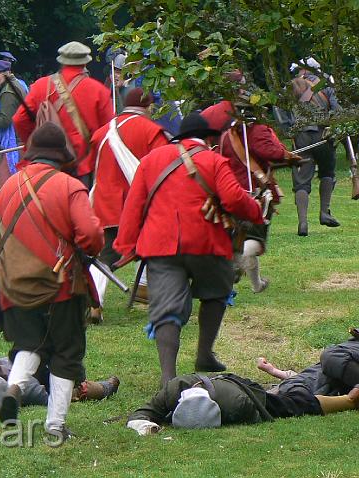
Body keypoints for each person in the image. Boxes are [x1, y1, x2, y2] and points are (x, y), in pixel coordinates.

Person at [114, 113, 265, 386]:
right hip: (206, 242)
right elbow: (233, 198)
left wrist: (126, 244)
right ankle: (204, 354)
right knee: (217, 292)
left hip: (160, 245)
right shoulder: (214, 160)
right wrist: (255, 210)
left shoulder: (150, 161)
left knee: (166, 310)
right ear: (208, 139)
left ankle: (168, 376)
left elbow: (133, 205)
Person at [0, 122, 104, 439]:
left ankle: (13, 388)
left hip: (13, 283)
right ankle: (55, 425)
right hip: (61, 284)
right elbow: (92, 235)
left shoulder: (8, 185)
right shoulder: (70, 187)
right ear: (61, 156)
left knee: (28, 344)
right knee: (66, 354)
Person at [85, 88, 171, 321]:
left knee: (105, 253)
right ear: (149, 107)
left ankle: (135, 290)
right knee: (154, 243)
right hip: (134, 203)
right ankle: (96, 301)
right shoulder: (152, 131)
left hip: (103, 203)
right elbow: (164, 167)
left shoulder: (101, 132)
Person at [202, 96, 301, 293]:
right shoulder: (256, 130)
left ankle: (256, 284)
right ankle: (235, 268)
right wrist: (288, 156)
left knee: (238, 239)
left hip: (230, 191)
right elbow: (271, 152)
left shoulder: (226, 134)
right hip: (256, 193)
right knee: (254, 240)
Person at [125, 372, 359, 435]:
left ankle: (348, 400)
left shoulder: (238, 404)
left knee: (294, 402)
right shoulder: (173, 391)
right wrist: (146, 426)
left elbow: (265, 415)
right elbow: (138, 416)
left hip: (251, 391)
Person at [12, 41, 113, 184]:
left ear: (62, 61)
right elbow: (108, 133)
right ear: (85, 63)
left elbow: (19, 119)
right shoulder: (99, 91)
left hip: (44, 165)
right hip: (82, 166)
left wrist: (35, 141)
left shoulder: (41, 85)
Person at [289, 71, 341, 236]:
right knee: (327, 173)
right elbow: (337, 111)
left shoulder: (290, 87)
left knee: (301, 182)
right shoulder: (326, 86)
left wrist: (290, 131)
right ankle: (325, 213)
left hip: (301, 138)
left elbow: (281, 113)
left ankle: (303, 223)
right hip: (323, 136)